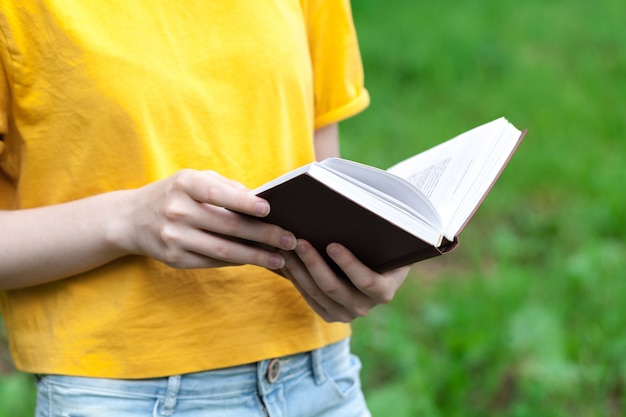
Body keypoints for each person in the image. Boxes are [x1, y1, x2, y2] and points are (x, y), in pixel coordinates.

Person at [0, 1, 410, 416]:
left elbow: (322, 178)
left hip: (321, 379)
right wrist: (125, 220)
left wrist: (366, 260)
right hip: (121, 394)